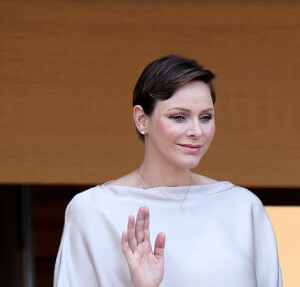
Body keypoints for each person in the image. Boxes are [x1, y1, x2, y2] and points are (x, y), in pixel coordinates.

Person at [53, 54, 282, 287]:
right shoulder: (93, 211)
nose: (196, 131)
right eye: (179, 117)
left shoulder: (243, 208)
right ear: (142, 119)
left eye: (205, 117)